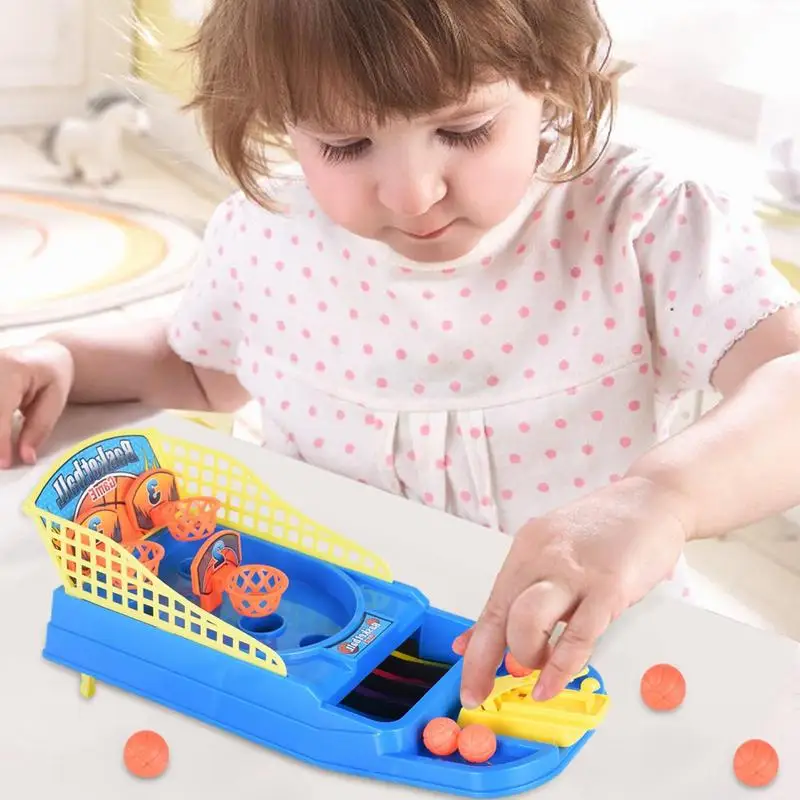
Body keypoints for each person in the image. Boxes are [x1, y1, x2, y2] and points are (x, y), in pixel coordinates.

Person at [2, 0, 800, 711]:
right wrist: (63, 354)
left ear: (550, 80)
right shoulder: (270, 235)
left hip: (580, 665)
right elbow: (197, 369)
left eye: (464, 131)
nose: (412, 192)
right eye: (347, 145)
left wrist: (664, 498)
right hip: (319, 662)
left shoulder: (639, 222)